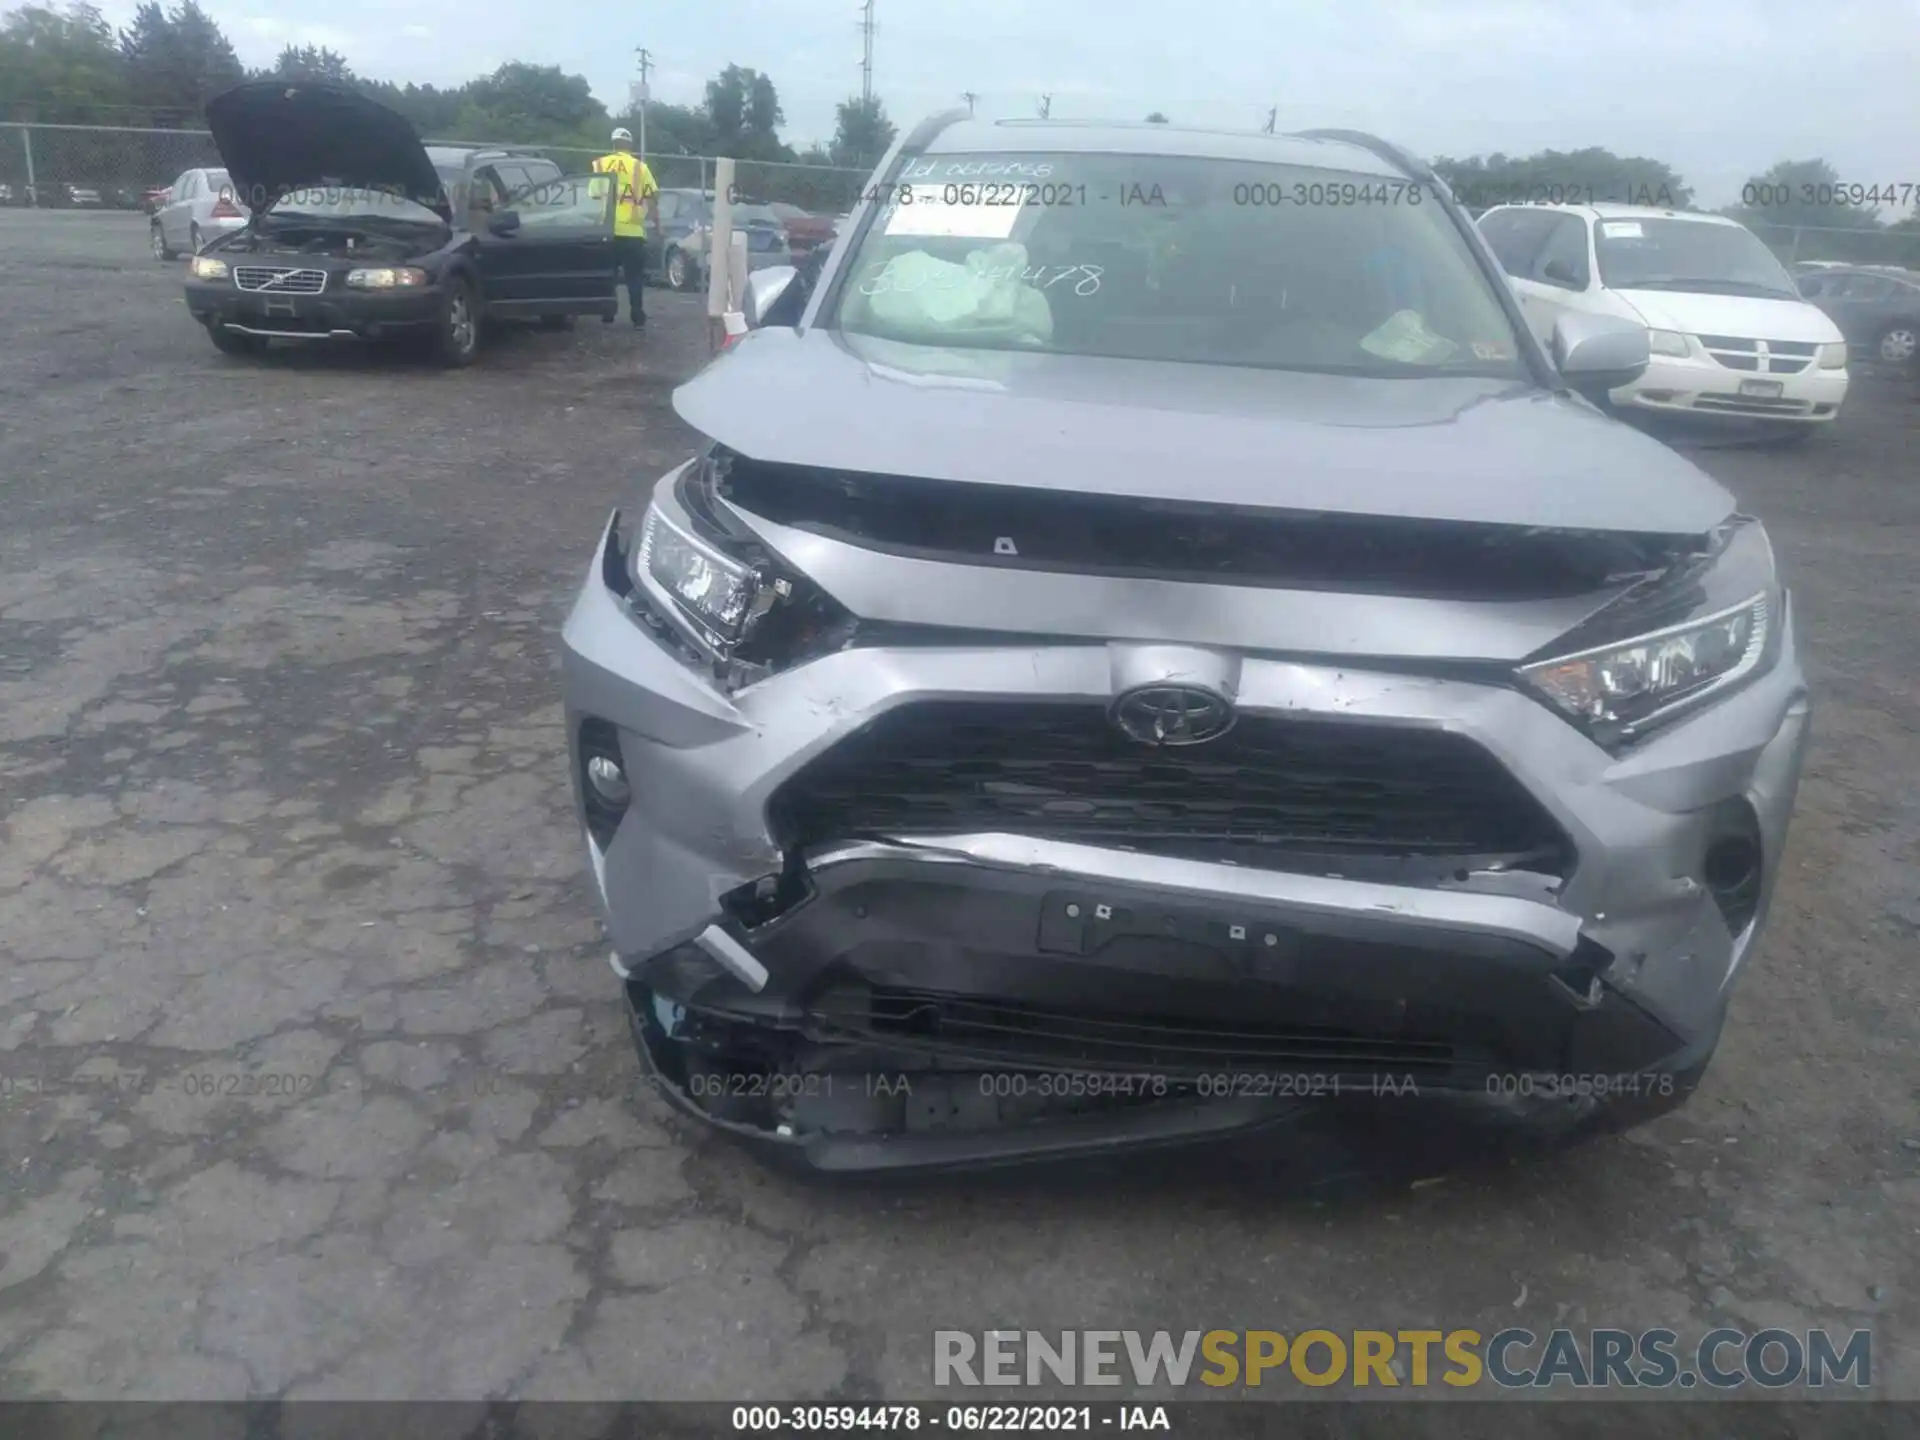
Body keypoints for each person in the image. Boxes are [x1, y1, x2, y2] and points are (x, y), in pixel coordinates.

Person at [591, 128, 660, 329]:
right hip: (633, 231)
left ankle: (607, 314)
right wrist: (657, 225)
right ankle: (637, 316)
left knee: (608, 275)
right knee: (634, 278)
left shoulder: (600, 164)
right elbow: (651, 198)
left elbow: (594, 196)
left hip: (606, 230)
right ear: (630, 145)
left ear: (613, 144)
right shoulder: (640, 168)